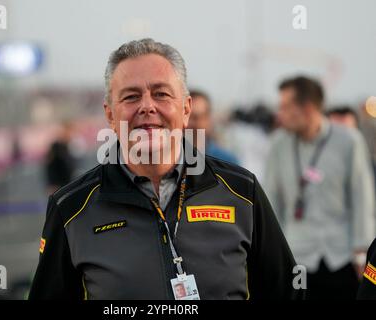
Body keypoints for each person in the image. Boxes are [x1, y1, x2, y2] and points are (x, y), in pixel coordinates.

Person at [29, 38, 302, 300]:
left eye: (161, 94)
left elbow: (286, 293)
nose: (147, 106)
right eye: (131, 97)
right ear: (110, 114)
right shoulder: (71, 208)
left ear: (185, 109)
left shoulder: (242, 192)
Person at [264, 76, 375, 300]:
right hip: (296, 255)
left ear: (308, 108)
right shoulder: (278, 144)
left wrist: (361, 252)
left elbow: (361, 197)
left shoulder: (348, 141)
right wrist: (272, 254)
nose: (280, 113)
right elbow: (271, 201)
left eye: (286, 107)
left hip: (340, 256)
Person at [188, 89, 239, 164]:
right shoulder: (169, 159)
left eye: (195, 118)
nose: (188, 123)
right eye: (186, 116)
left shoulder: (227, 161)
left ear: (208, 120)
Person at [44, 121, 77, 195]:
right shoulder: (55, 147)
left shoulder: (68, 147)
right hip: (58, 187)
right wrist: (51, 184)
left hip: (68, 185)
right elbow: (50, 167)